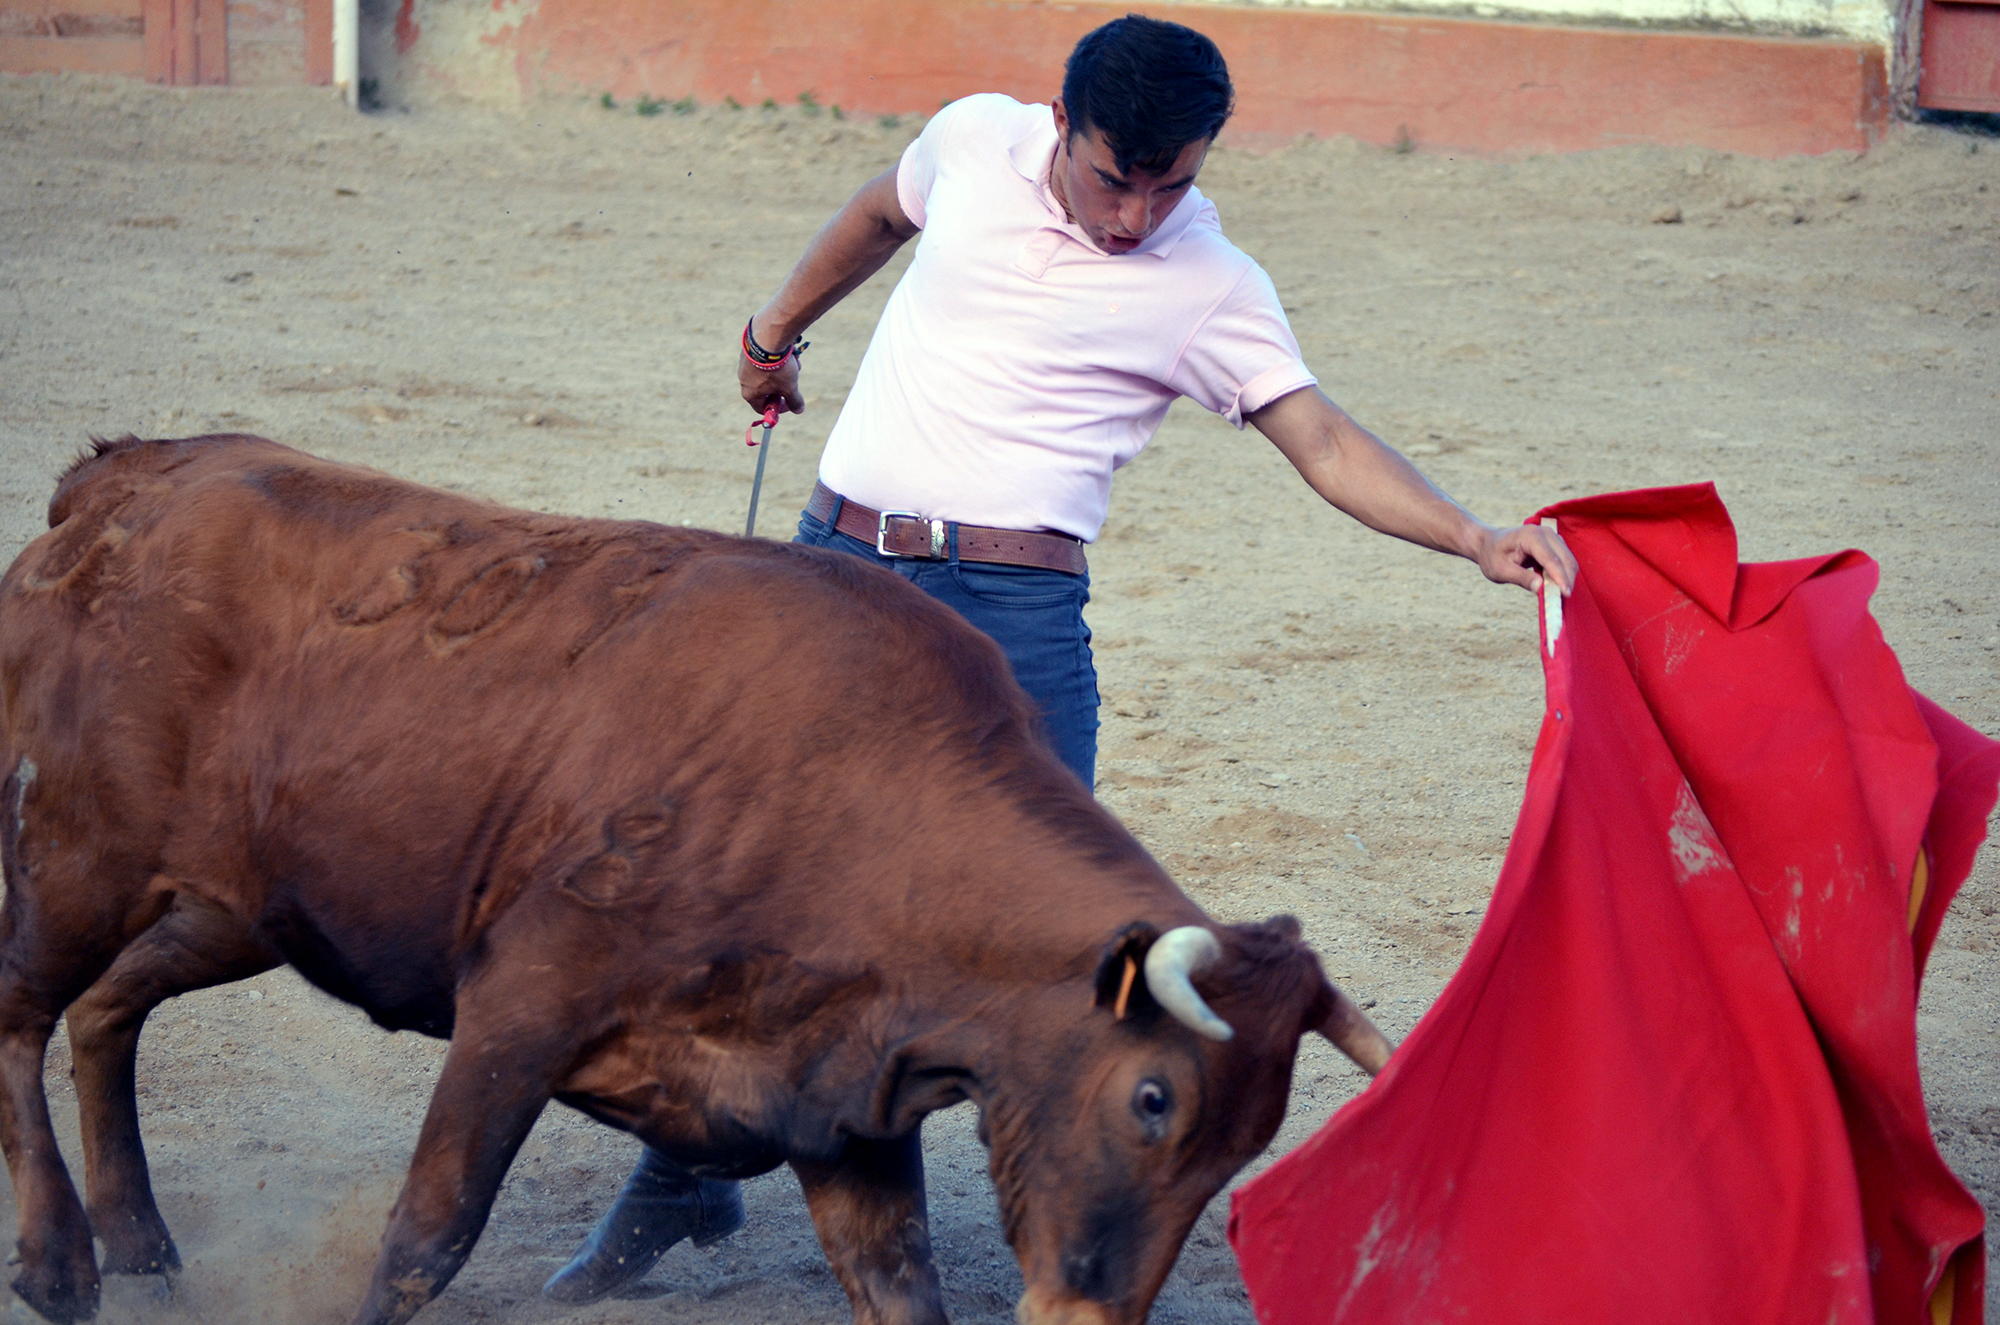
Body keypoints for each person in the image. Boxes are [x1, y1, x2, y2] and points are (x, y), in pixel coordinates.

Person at [542, 13, 1576, 1305]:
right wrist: (772, 334)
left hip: (1011, 612)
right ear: (1059, 126)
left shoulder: (1212, 283)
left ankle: (1073, 1234)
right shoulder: (975, 141)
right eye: (1113, 179)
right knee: (739, 883)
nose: (1139, 217)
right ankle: (683, 1177)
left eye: (1172, 185)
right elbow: (879, 212)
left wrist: (1471, 535)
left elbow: (1319, 437)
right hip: (834, 576)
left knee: (1015, 931)